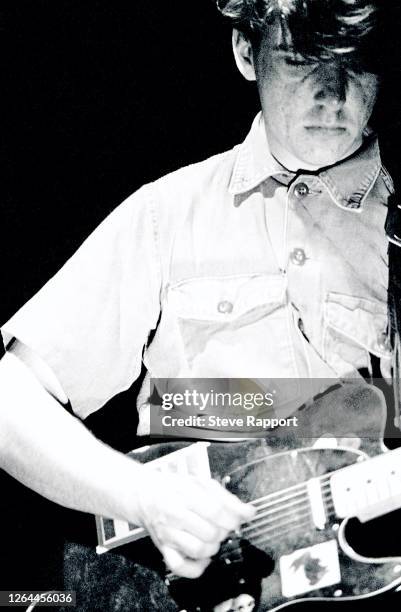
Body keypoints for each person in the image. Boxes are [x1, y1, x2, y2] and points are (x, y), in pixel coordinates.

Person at [0, 0, 398, 599]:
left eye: (353, 63)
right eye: (299, 62)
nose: (331, 93)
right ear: (245, 52)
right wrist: (145, 498)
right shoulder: (166, 217)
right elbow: (10, 406)